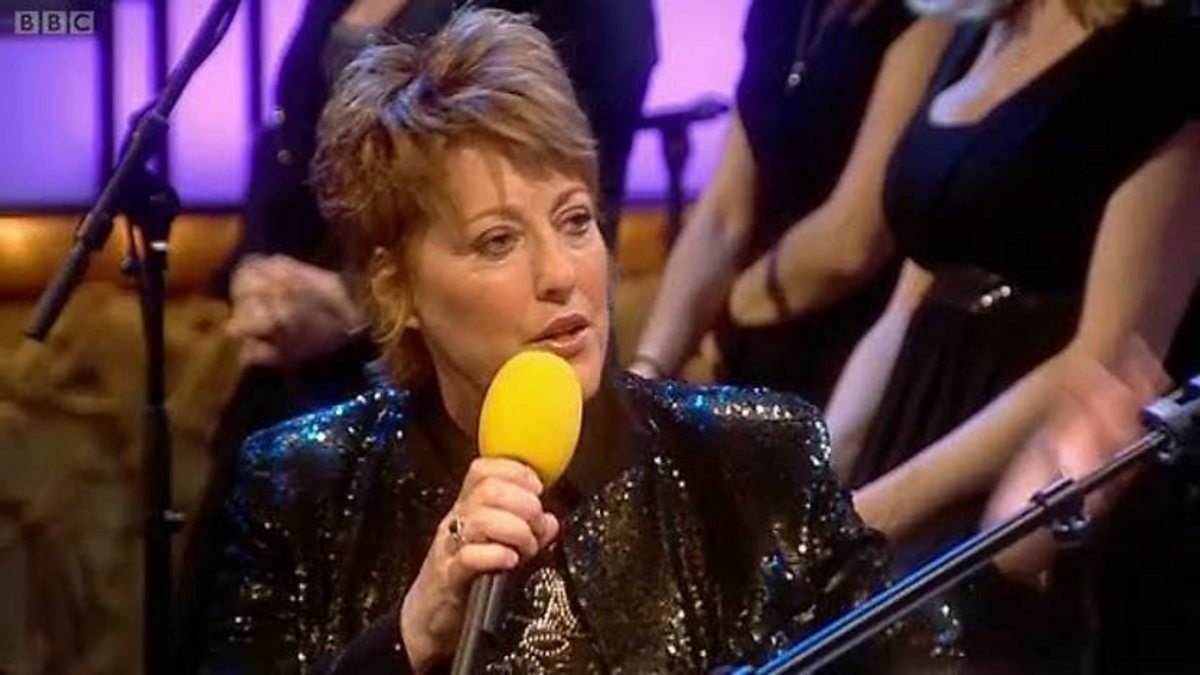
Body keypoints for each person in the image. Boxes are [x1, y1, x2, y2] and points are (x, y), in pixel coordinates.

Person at [177, 9, 1157, 673]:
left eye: (575, 221)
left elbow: (920, 658)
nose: (561, 274)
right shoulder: (300, 484)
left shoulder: (755, 459)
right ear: (397, 286)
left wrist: (1022, 567)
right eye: (497, 241)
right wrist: (410, 638)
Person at [719, 0, 1199, 666]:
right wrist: (823, 487)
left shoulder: (1165, 64)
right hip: (914, 435)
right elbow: (905, 307)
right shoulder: (972, 37)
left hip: (1028, 479)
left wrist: (882, 509)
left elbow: (1108, 356)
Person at [631, 0, 943, 406]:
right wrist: (648, 373)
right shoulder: (779, 9)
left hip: (861, 351)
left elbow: (853, 243)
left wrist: (732, 314)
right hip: (759, 325)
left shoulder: (924, 13)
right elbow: (723, 218)